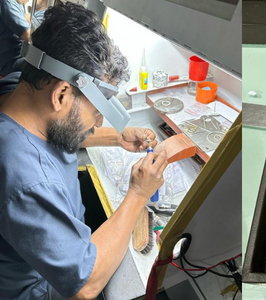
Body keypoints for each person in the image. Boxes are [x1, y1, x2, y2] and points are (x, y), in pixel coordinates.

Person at [0, 3, 169, 299]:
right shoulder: (28, 182)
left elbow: (52, 133)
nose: (99, 121)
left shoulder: (19, 88)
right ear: (62, 94)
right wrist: (138, 193)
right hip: (38, 286)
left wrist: (116, 138)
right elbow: (85, 284)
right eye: (96, 110)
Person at [0, 0, 31, 76]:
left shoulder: (16, 3)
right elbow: (28, 36)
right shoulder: (8, 3)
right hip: (7, 63)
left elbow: (23, 17)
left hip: (13, 56)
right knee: (41, 68)